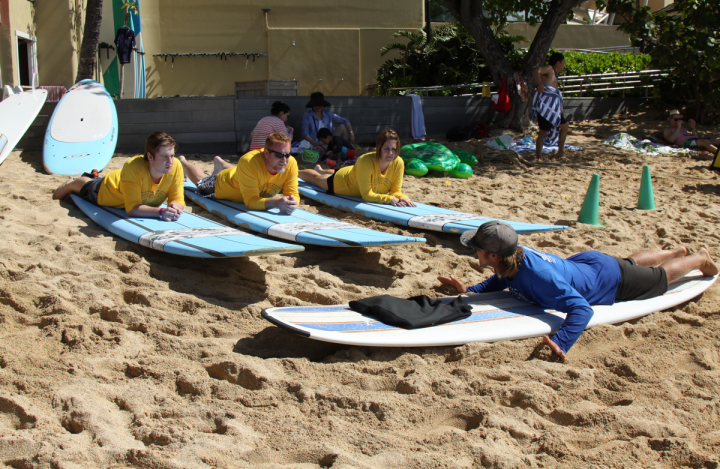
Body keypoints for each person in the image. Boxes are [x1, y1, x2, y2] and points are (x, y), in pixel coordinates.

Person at [438, 221, 718, 362]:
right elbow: (502, 280)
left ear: (494, 256)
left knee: (660, 278)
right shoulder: (513, 260)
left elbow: (581, 308)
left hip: (610, 281)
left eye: (477, 247)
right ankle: (676, 250)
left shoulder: (540, 278)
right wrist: (471, 290)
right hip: (589, 264)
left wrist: (562, 341)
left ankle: (698, 258)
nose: (474, 249)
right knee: (630, 263)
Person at [53, 132, 185, 222]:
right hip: (109, 189)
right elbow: (132, 209)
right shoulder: (133, 166)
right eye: (164, 157)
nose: (170, 161)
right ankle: (69, 184)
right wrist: (161, 212)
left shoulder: (176, 166)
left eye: (172, 155)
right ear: (150, 157)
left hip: (127, 185)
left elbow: (177, 199)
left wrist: (175, 208)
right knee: (85, 185)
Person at [179, 132, 298, 215]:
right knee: (201, 182)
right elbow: (251, 202)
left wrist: (292, 201)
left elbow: (294, 194)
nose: (284, 160)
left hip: (240, 174)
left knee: (244, 171)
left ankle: (220, 162)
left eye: (287, 154)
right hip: (224, 183)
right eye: (279, 155)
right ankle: (183, 162)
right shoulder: (249, 162)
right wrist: (277, 202)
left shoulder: (290, 163)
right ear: (266, 153)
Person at [298, 128, 416, 207]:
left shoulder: (398, 162)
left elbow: (395, 191)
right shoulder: (365, 161)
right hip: (342, 182)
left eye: (393, 149)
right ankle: (296, 171)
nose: (390, 153)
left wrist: (402, 198)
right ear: (379, 147)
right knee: (315, 178)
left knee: (325, 172)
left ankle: (321, 169)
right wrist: (389, 199)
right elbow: (366, 195)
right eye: (386, 148)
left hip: (354, 172)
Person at [532, 52, 569, 160]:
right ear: (558, 62)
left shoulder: (553, 72)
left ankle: (561, 152)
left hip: (554, 107)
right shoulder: (548, 68)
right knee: (543, 132)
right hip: (546, 106)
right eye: (563, 63)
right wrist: (540, 85)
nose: (564, 65)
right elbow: (536, 71)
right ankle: (539, 156)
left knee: (565, 126)